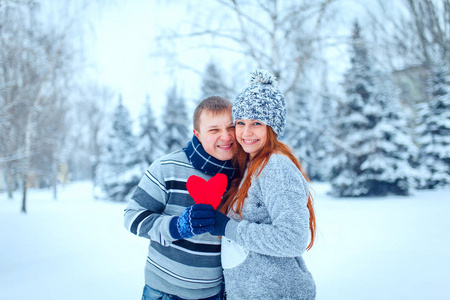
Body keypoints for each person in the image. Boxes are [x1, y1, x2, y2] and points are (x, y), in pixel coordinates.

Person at [210, 70, 317, 299]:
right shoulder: (250, 165)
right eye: (240, 123)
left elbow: (293, 239)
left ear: (272, 127)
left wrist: (228, 228)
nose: (246, 133)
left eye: (257, 123)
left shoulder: (275, 166)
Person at [124, 96, 236, 300]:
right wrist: (177, 226)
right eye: (214, 130)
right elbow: (132, 217)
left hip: (214, 294)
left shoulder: (240, 175)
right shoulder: (167, 167)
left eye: (231, 127)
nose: (226, 136)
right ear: (198, 134)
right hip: (164, 291)